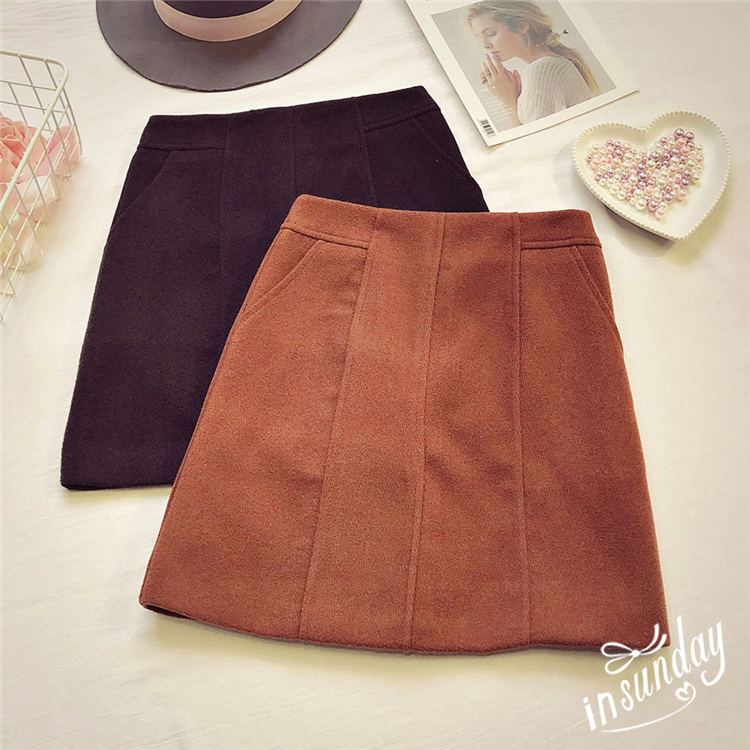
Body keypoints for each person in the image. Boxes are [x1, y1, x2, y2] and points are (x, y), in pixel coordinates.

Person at [467, 0, 599, 126]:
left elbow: (538, 139)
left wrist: (508, 103)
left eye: (491, 33)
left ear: (522, 26)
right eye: (479, 37)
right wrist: (517, 96)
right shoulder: (550, 64)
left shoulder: (541, 70)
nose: (485, 45)